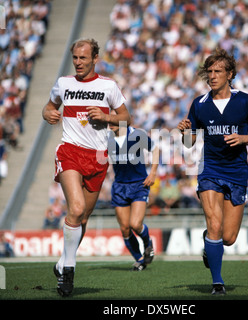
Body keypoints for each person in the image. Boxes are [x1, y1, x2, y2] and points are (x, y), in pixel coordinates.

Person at [42, 38, 131, 296]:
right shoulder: (64, 83)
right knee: (76, 208)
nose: (78, 62)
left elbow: (125, 120)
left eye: (84, 58)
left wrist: (107, 117)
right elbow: (50, 106)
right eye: (76, 58)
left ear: (95, 59)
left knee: (82, 218)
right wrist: (47, 112)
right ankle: (68, 271)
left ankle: (62, 261)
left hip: (98, 158)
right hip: (69, 152)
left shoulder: (108, 86)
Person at [177, 48, 248, 295]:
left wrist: (242, 138)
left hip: (237, 171)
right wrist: (185, 132)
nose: (213, 76)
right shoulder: (199, 104)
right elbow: (188, 143)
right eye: (210, 72)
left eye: (218, 71)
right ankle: (217, 283)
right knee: (215, 224)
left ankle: (210, 242)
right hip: (210, 169)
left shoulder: (246, 101)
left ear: (230, 74)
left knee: (228, 238)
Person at [108, 112, 159, 271]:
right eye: (109, 120)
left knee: (135, 224)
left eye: (114, 120)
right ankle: (140, 259)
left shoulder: (137, 135)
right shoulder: (106, 137)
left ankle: (147, 243)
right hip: (119, 186)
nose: (110, 123)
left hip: (138, 185)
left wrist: (152, 173)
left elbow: (155, 149)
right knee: (124, 228)